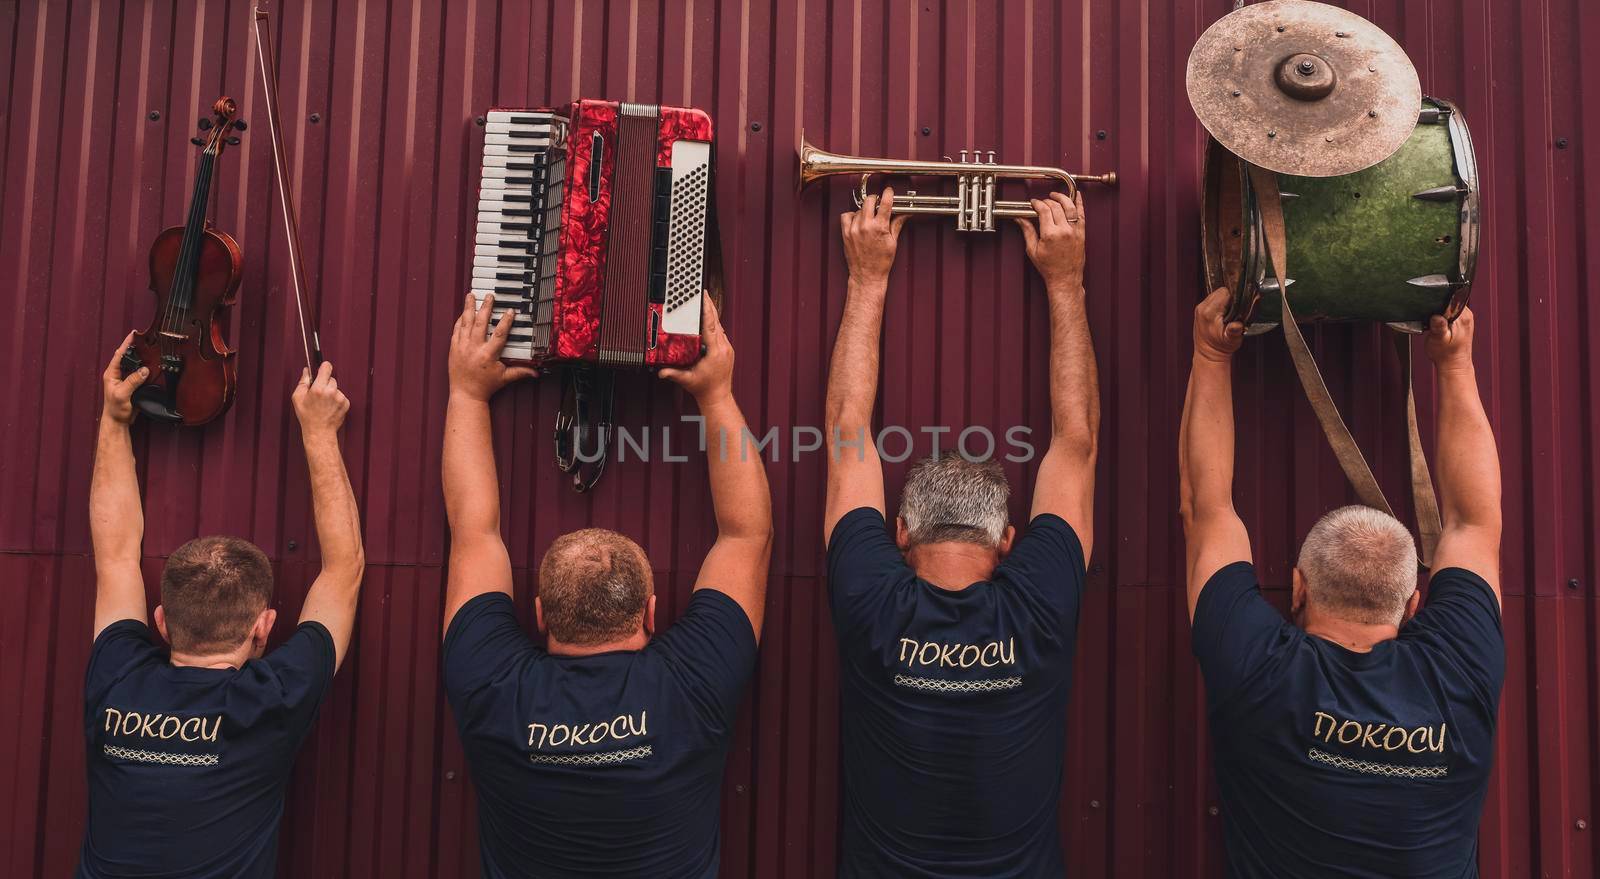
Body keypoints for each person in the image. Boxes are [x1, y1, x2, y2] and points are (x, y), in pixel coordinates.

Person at [440, 294, 772, 879]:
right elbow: (747, 535)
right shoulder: (691, 683)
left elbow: (473, 532)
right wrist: (716, 395)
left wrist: (467, 393)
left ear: (539, 615)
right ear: (650, 611)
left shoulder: (492, 686)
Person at [1180, 289, 1504, 877]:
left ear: (1297, 587)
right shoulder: (1459, 670)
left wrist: (1211, 354)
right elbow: (1474, 524)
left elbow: (1207, 511)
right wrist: (1454, 366)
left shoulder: (1258, 668)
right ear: (1413, 604)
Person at [824, 189, 1099, 877]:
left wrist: (869, 277)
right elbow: (1077, 442)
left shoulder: (871, 598)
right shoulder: (1038, 600)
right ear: (1009, 539)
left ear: (899, 533)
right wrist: (1066, 283)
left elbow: (847, 433)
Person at [80, 340, 364, 879]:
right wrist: (319, 432)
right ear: (264, 627)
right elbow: (343, 570)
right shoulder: (273, 700)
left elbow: (115, 556)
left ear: (160, 622)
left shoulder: (117, 678)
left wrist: (115, 421)